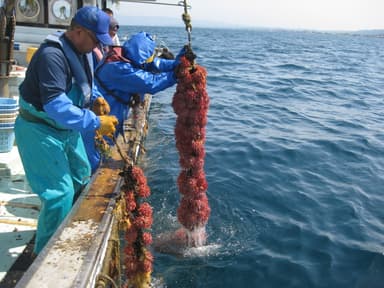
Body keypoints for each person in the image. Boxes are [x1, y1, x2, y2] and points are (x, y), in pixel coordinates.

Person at [14, 6, 118, 255]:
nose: (98, 47)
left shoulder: (82, 51)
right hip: (40, 130)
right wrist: (95, 122)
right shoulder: (52, 56)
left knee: (81, 176)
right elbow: (56, 106)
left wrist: (95, 98)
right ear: (78, 31)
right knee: (59, 194)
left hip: (65, 131)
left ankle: (66, 231)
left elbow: (82, 82)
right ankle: (46, 256)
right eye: (96, 39)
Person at [85, 31, 185, 171]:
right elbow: (151, 83)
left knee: (103, 152)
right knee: (95, 161)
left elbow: (153, 64)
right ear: (139, 56)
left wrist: (177, 63)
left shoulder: (124, 55)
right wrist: (176, 74)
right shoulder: (118, 68)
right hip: (100, 122)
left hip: (112, 118)